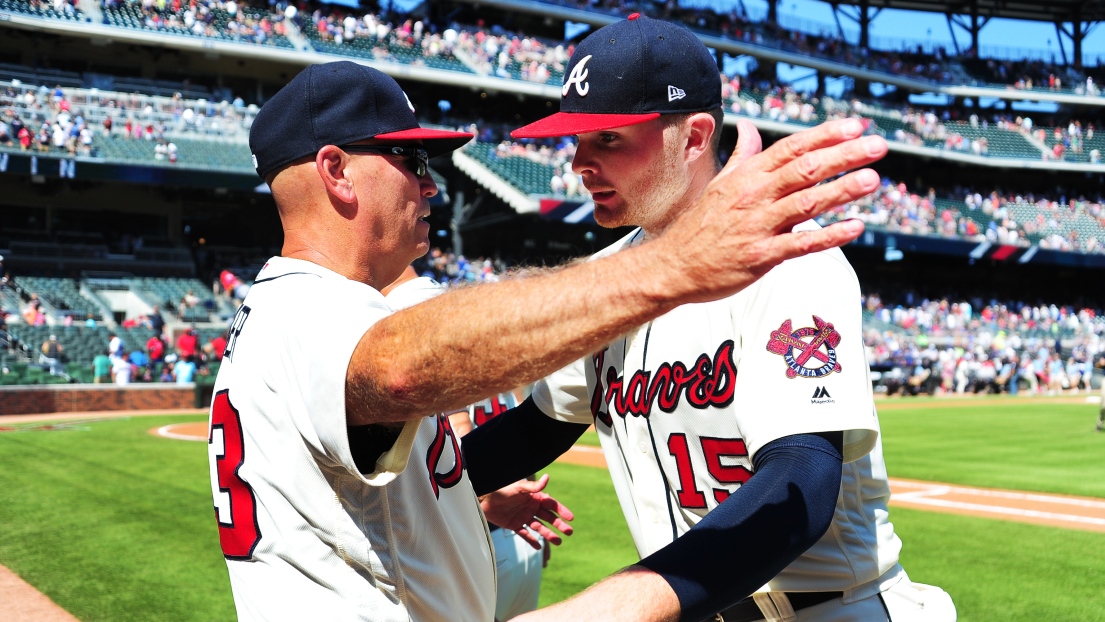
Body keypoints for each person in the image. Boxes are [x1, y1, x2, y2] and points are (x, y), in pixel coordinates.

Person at [208, 59, 880, 621]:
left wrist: (450, 498)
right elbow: (398, 370)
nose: (431, 185)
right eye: (408, 157)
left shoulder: (319, 311)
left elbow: (803, 479)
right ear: (335, 170)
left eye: (607, 139)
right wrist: (672, 265)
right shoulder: (306, 312)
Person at [498, 15, 953, 621]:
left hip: (826, 609)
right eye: (575, 139)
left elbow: (802, 486)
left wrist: (609, 609)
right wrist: (409, 476)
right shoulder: (610, 274)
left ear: (693, 137)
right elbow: (536, 427)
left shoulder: (788, 256)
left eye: (607, 138)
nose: (579, 161)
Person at [382, 266, 547, 621]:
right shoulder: (495, 349)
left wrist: (487, 501)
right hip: (515, 528)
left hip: (479, 527)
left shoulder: (421, 325)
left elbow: (460, 433)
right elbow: (520, 435)